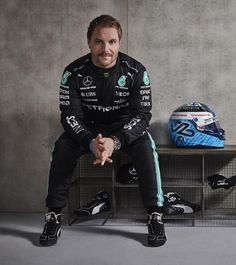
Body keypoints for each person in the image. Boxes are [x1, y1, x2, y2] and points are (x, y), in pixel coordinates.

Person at [39, 14, 166, 247]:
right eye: (99, 41)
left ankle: (155, 215)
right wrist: (91, 142)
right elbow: (69, 117)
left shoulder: (136, 71)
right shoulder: (73, 73)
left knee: (147, 147)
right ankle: (53, 215)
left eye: (112, 42)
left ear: (119, 43)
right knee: (62, 147)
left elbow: (142, 116)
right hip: (87, 129)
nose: (105, 49)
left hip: (124, 129)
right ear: (89, 42)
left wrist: (115, 141)